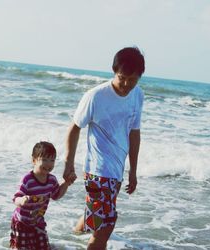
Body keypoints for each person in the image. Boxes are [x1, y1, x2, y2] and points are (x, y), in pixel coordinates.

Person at [63, 46, 145, 249]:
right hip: (98, 172)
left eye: (132, 79)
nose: (126, 84)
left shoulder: (137, 95)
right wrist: (68, 163)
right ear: (114, 71)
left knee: (97, 218)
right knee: (106, 225)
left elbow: (134, 133)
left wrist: (133, 170)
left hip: (116, 171)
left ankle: (70, 238)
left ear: (139, 77)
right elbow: (74, 128)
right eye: (122, 77)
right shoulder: (96, 96)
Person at [10, 141, 76, 250]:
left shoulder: (51, 180)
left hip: (38, 220)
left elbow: (56, 195)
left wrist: (66, 183)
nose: (49, 164)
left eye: (52, 160)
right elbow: (16, 198)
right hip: (22, 222)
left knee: (43, 247)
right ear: (34, 160)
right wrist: (22, 200)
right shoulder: (28, 180)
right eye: (44, 159)